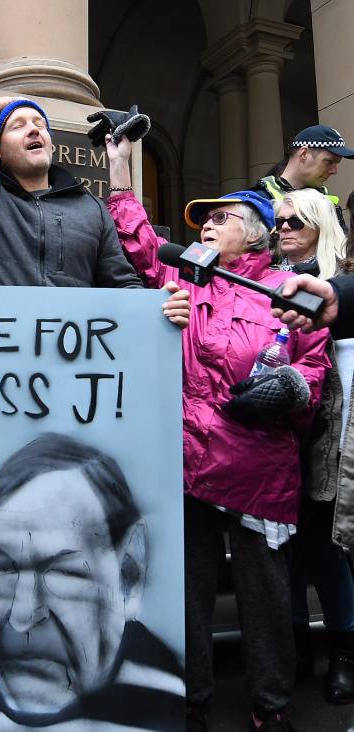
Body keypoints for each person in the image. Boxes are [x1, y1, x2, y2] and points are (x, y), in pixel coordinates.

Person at [106, 133, 330, 731]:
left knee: (264, 600)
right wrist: (120, 166)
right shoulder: (186, 282)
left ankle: (271, 707)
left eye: (220, 218)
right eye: (201, 220)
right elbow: (139, 241)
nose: (205, 225)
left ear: (254, 233)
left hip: (261, 473)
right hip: (187, 464)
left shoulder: (287, 294)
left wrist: (291, 389)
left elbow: (313, 363)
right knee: (186, 594)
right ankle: (191, 701)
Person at [0, 433, 185, 731]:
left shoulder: (164, 702)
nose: (22, 616)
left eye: (63, 573)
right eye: (0, 568)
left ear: (128, 575)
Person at [0, 94, 190, 326]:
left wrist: (157, 307)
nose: (34, 130)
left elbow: (122, 286)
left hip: (70, 370)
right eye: (17, 126)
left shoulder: (91, 209)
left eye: (40, 125)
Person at [276, 188, 354, 703]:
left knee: (324, 548)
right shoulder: (262, 274)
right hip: (273, 435)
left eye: (296, 222)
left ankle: (343, 652)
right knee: (286, 549)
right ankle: (295, 647)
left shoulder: (333, 287)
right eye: (279, 221)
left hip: (328, 437)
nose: (283, 229)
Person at [253, 125, 354, 232]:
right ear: (304, 154)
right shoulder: (259, 201)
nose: (334, 171)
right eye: (329, 161)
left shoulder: (327, 202)